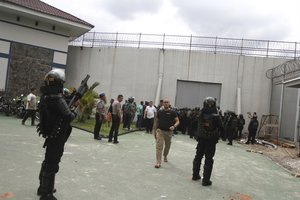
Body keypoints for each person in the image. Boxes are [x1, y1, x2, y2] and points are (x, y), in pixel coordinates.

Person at [36, 69, 78, 200]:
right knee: (52, 162)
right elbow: (69, 116)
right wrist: (76, 109)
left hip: (50, 132)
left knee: (48, 160)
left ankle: (43, 187)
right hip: (58, 134)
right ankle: (46, 194)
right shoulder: (57, 99)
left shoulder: (45, 96)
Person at [192, 97, 222, 186]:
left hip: (201, 139)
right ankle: (205, 180)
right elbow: (221, 127)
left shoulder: (201, 114)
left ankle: (195, 175)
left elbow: (194, 124)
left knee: (198, 157)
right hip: (211, 141)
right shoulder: (216, 116)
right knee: (209, 159)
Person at [154, 99, 180, 168]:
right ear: (162, 104)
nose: (165, 103)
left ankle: (165, 155)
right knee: (159, 146)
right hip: (160, 131)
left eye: (167, 102)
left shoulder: (173, 112)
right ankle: (158, 162)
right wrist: (154, 131)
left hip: (169, 132)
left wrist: (174, 126)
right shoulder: (159, 112)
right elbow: (156, 122)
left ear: (169, 103)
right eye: (164, 102)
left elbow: (177, 121)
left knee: (167, 146)